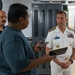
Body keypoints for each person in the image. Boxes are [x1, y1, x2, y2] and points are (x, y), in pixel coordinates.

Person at [0, 3, 55, 75]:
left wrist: (33, 49)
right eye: (28, 17)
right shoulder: (12, 38)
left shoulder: (14, 32)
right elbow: (19, 67)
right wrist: (43, 59)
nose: (28, 20)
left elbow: (17, 53)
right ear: (21, 20)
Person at [45, 10, 75, 75]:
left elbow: (74, 49)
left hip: (68, 64)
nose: (59, 20)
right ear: (56, 19)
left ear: (66, 19)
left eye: (62, 18)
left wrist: (70, 61)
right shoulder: (51, 33)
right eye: (58, 18)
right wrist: (58, 62)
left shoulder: (71, 33)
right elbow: (47, 50)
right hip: (56, 64)